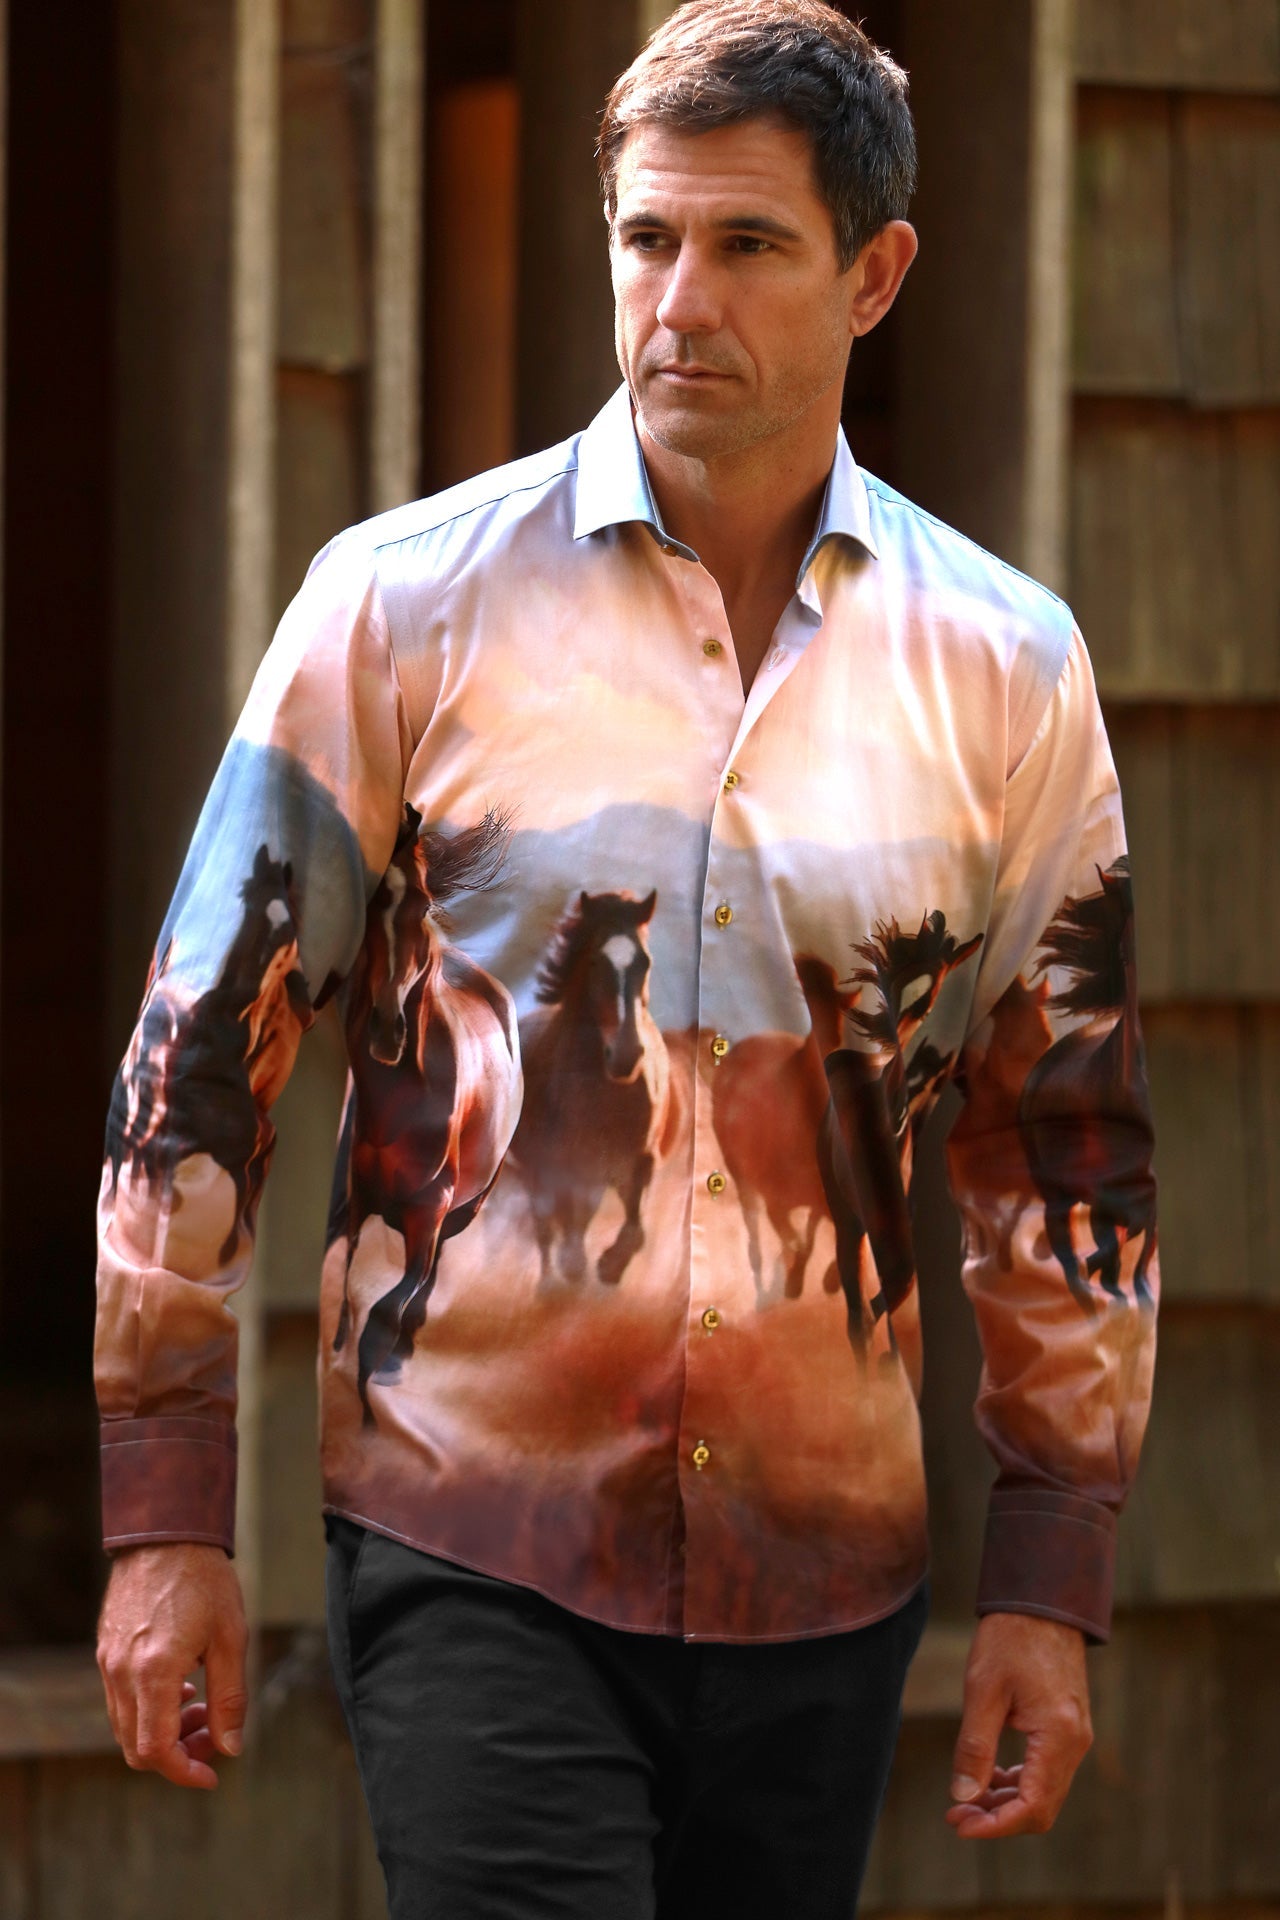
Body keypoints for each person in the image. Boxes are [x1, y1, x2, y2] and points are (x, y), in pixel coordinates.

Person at [94, 3, 1160, 1914]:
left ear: (876, 276)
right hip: (472, 1538)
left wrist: (1050, 1574)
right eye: (646, 239)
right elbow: (199, 1051)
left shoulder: (1010, 670)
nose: (679, 302)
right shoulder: (401, 604)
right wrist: (164, 1511)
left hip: (827, 1580)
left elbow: (1063, 1140)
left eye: (747, 244)